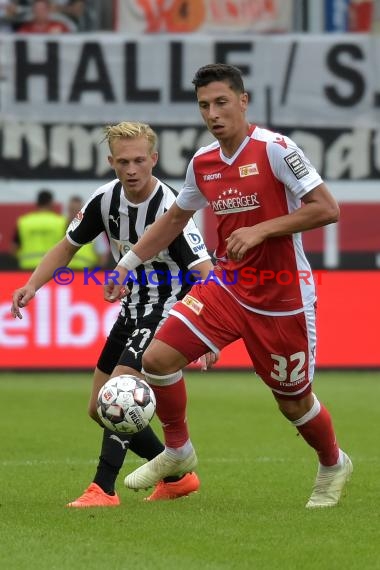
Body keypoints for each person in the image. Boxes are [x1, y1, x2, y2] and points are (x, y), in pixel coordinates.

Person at [105, 64, 353, 509]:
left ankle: (333, 462)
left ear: (243, 100)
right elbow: (176, 219)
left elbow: (327, 209)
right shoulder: (203, 163)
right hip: (228, 287)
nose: (213, 113)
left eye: (222, 102)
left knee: (293, 404)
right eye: (204, 105)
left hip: (282, 298)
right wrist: (126, 264)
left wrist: (261, 230)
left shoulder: (277, 150)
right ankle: (178, 451)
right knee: (158, 359)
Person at [11, 121, 214, 507]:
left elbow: (205, 274)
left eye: (140, 160)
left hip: (167, 310)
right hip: (132, 308)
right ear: (111, 162)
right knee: (97, 409)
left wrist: (206, 333)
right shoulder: (105, 200)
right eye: (123, 162)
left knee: (119, 394)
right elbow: (66, 247)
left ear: (154, 159)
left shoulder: (171, 208)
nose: (132, 169)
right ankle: (176, 477)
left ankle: (103, 488)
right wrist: (32, 285)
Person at [12, 189, 67, 269]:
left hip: (27, 267)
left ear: (37, 203)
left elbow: (13, 248)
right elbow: (67, 248)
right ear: (51, 203)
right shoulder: (61, 222)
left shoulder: (24, 221)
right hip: (52, 267)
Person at [66, 195, 110, 269]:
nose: (74, 214)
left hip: (86, 273)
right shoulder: (60, 227)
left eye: (77, 210)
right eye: (72, 210)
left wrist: (96, 274)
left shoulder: (94, 229)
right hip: (64, 274)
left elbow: (103, 256)